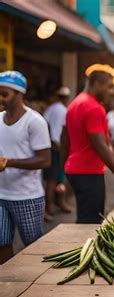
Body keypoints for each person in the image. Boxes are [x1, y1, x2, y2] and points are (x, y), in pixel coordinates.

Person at [62, 65, 114, 223]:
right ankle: (84, 247)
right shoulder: (94, 107)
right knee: (90, 222)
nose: (111, 92)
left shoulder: (75, 103)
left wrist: (64, 166)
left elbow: (64, 137)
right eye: (109, 87)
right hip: (88, 172)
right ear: (97, 84)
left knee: (84, 217)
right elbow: (99, 144)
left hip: (75, 170)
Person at [0, 71, 51, 264]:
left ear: (19, 94)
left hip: (27, 196)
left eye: (5, 94)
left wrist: (9, 163)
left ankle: (36, 288)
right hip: (1, 194)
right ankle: (7, 282)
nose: (0, 98)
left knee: (33, 245)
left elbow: (45, 160)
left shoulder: (34, 121)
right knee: (2, 243)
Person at [42, 86, 73, 221]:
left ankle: (58, 204)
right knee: (54, 179)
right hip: (57, 148)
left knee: (57, 179)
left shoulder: (51, 108)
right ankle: (49, 208)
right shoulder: (64, 110)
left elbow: (45, 124)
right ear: (66, 98)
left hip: (52, 146)